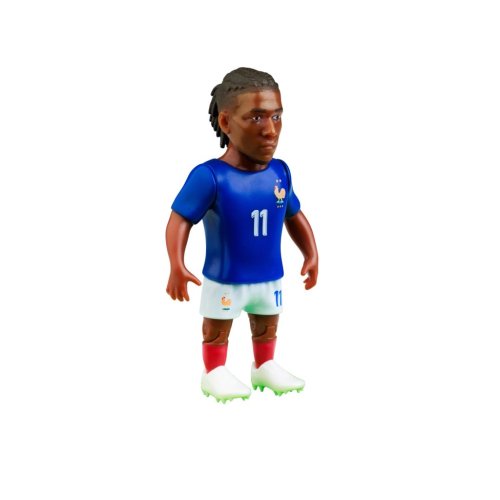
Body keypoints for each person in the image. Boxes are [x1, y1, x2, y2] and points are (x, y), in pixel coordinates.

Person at [165, 67, 318, 402]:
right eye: (256, 117)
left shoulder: (280, 172)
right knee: (217, 329)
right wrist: (176, 264)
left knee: (267, 325)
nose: (270, 130)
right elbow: (180, 219)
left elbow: (293, 214)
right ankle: (214, 372)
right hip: (225, 278)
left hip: (269, 275)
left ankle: (264, 365)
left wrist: (311, 253)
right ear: (225, 122)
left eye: (277, 116)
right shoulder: (210, 176)